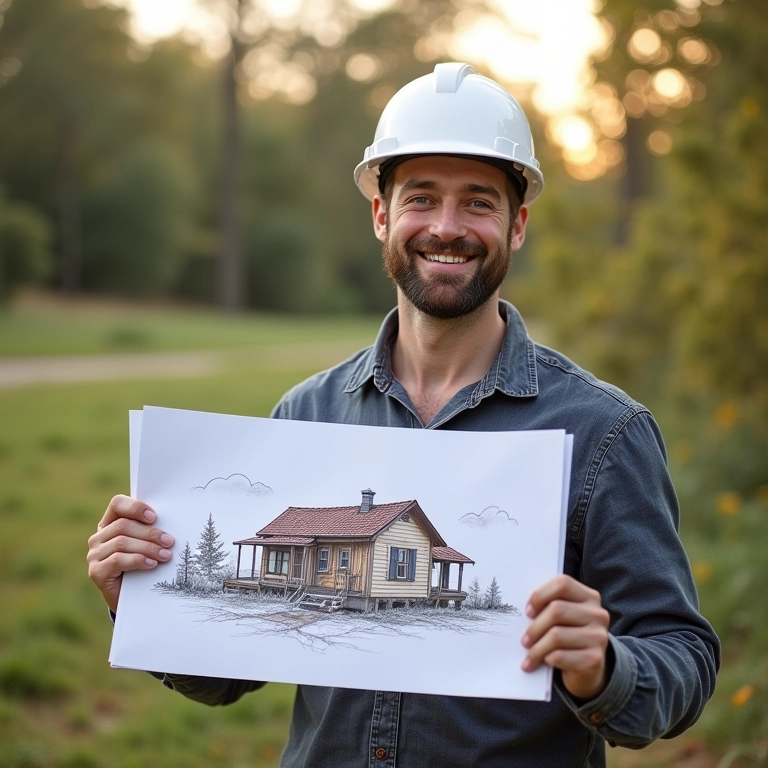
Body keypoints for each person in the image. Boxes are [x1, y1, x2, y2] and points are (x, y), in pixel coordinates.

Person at [87, 63, 719, 767]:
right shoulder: (308, 414)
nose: (447, 228)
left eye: (478, 203)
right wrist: (141, 600)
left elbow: (683, 659)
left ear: (517, 227)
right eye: (421, 198)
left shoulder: (604, 432)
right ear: (382, 215)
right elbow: (228, 673)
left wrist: (603, 667)